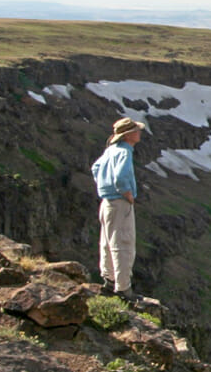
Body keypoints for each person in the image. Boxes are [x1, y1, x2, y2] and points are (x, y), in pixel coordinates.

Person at [91, 117, 144, 301]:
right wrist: (127, 193)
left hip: (106, 202)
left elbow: (95, 168)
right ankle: (123, 289)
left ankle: (109, 279)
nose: (139, 133)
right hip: (120, 202)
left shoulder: (110, 150)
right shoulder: (124, 152)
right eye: (136, 130)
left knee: (106, 241)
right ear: (128, 135)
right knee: (123, 243)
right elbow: (121, 177)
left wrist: (103, 187)